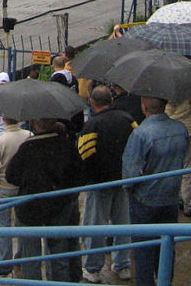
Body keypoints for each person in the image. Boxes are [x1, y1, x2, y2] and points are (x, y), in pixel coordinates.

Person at [122, 96, 188, 286]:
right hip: (171, 197)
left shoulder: (141, 134)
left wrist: (131, 190)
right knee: (167, 246)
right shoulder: (180, 129)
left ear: (144, 107)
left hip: (145, 199)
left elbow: (130, 174)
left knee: (143, 251)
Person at [5, 118, 83, 282]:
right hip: (59, 204)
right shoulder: (65, 145)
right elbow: (79, 174)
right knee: (59, 254)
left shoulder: (27, 147)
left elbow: (11, 175)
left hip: (30, 207)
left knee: (30, 256)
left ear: (33, 124)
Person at [77, 85, 136, 283]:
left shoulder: (92, 126)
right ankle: (122, 265)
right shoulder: (128, 120)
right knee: (122, 224)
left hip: (99, 183)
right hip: (124, 180)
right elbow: (136, 146)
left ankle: (92, 268)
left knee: (95, 226)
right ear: (111, 100)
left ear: (93, 103)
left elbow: (83, 155)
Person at [0, 111, 31, 277]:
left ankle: (3, 265)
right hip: (22, 187)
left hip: (3, 187)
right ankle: (23, 258)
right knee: (22, 224)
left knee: (2, 226)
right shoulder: (28, 135)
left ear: (3, 119)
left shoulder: (0, 140)